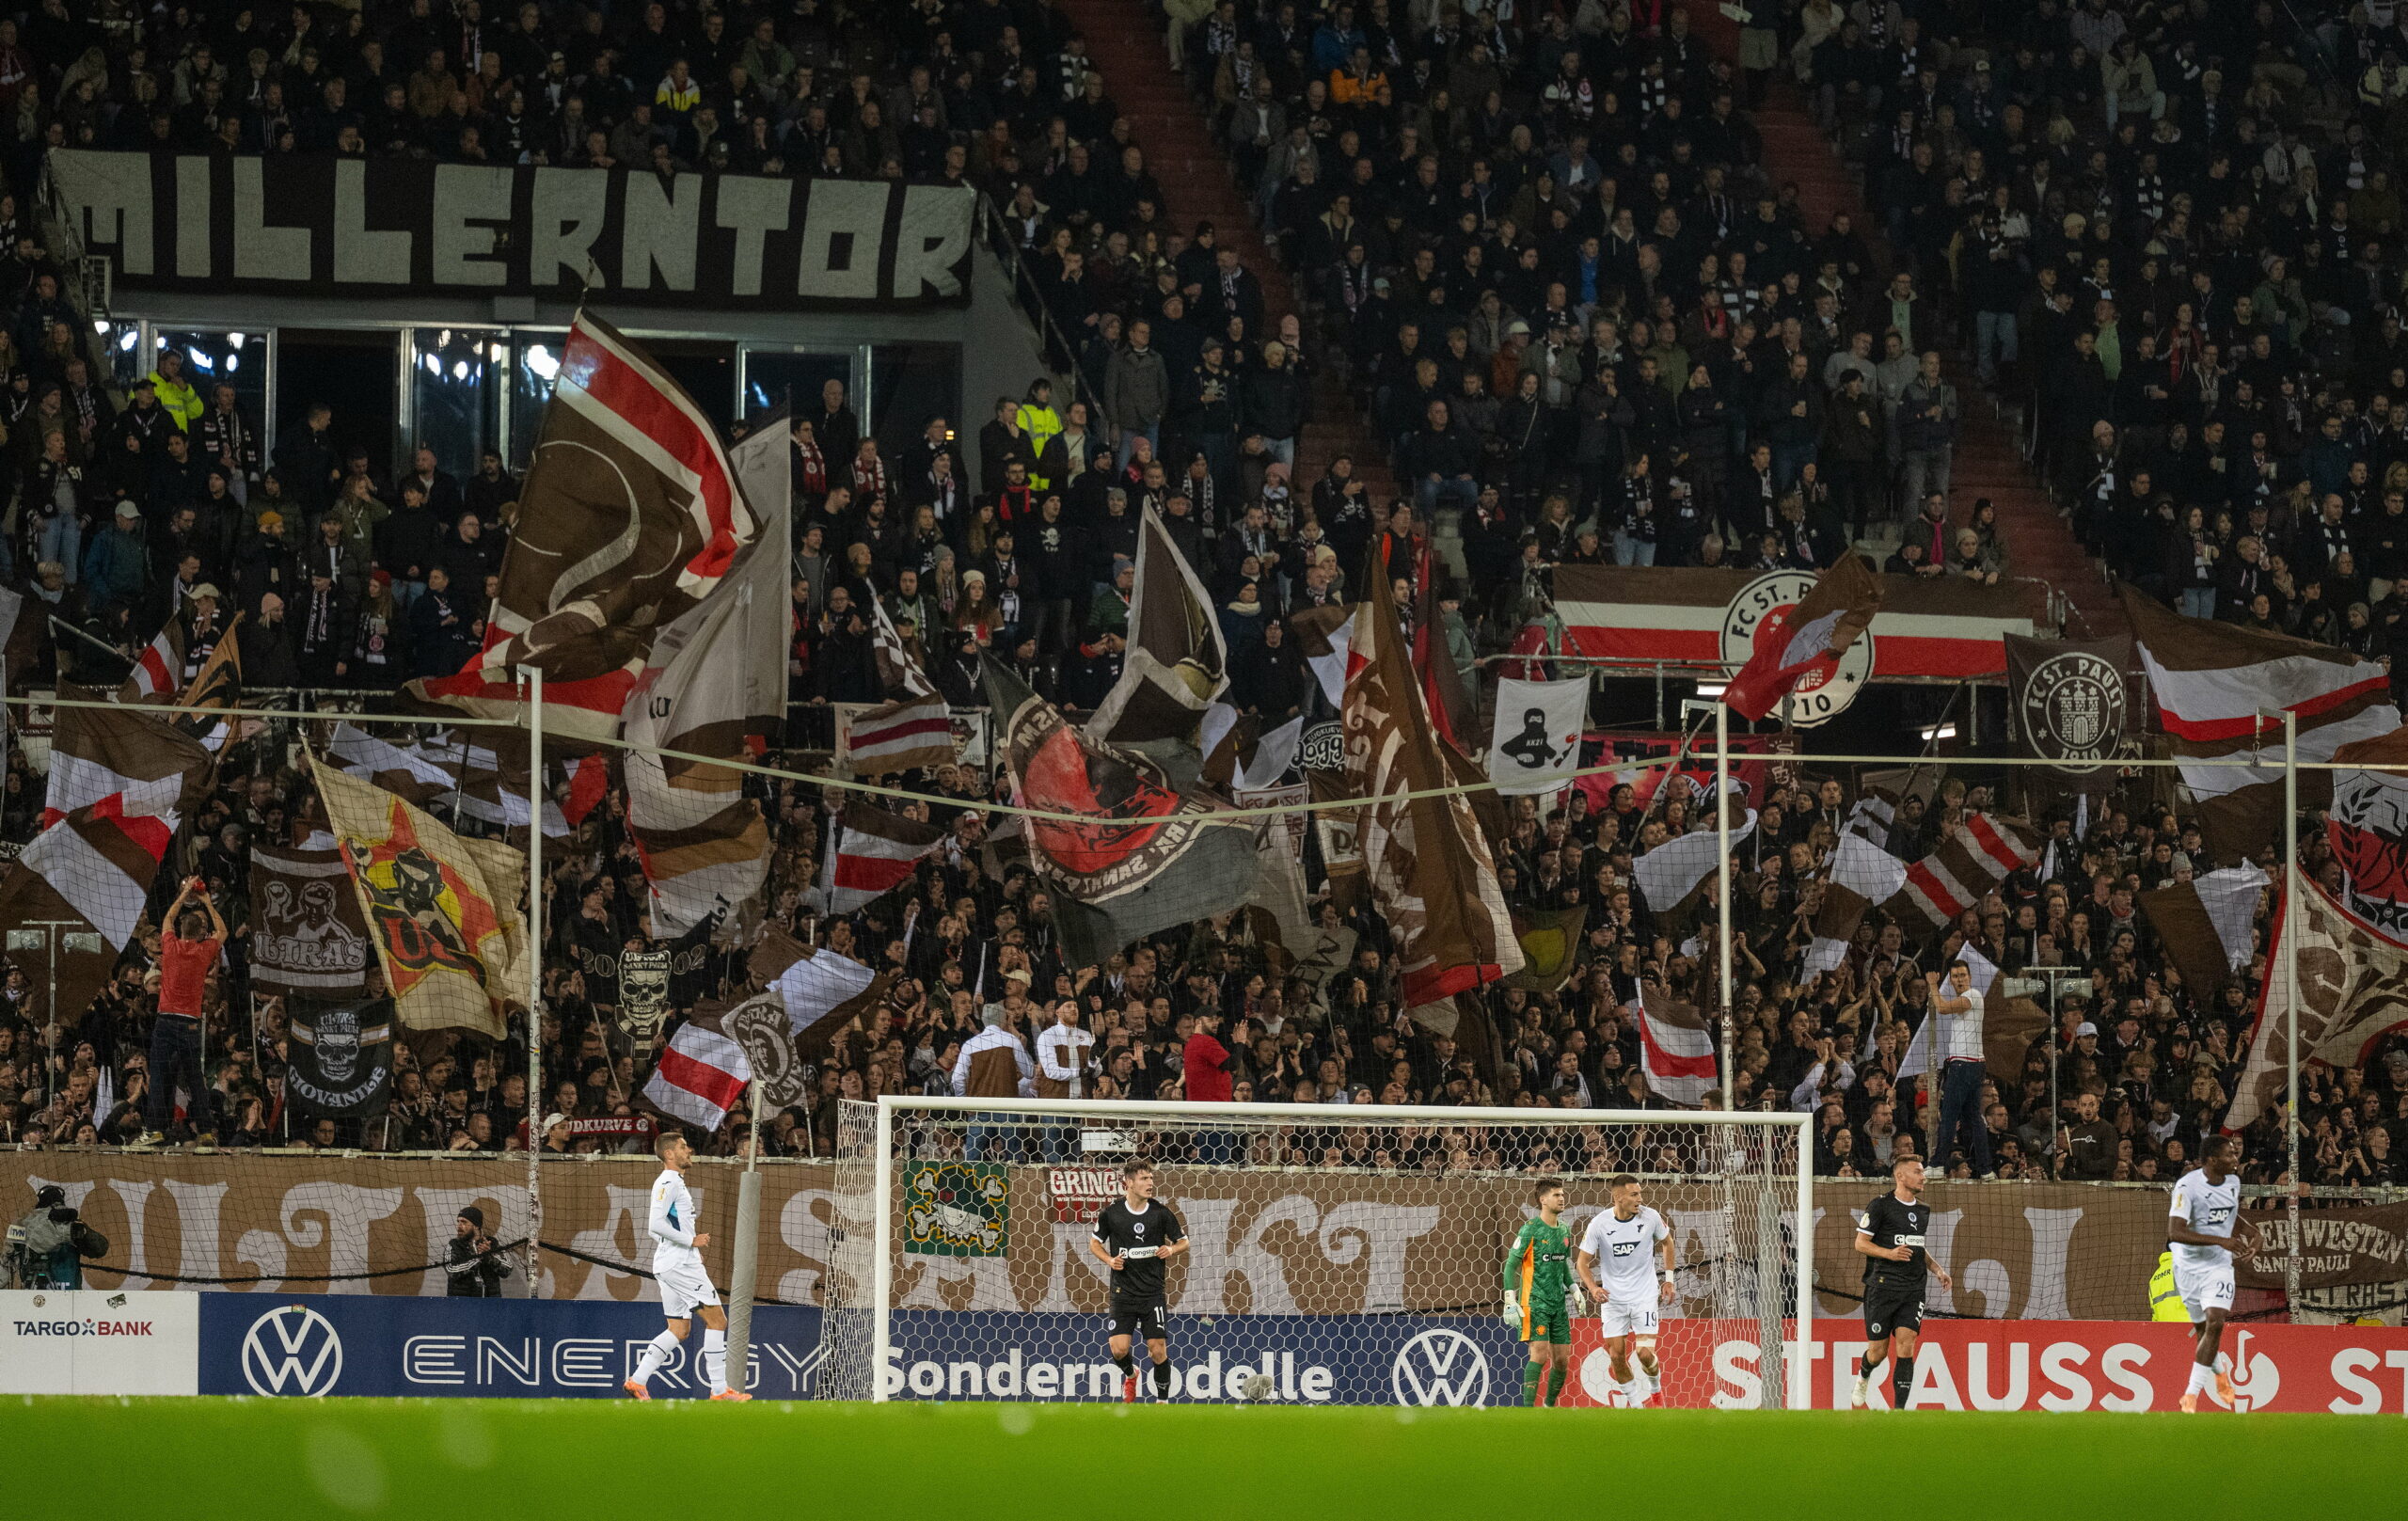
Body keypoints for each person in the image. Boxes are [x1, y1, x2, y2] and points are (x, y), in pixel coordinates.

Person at [624, 1131, 747, 1401]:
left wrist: (685, 1246)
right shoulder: (669, 1182)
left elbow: (660, 1231)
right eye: (682, 1146)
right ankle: (718, 1390)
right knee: (717, 1322)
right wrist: (690, 1242)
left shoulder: (673, 1182)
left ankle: (638, 1380)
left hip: (673, 1262)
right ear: (669, 1154)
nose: (688, 1150)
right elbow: (654, 1225)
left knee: (678, 1329)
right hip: (680, 1265)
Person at [1850, 1156, 1954, 1409]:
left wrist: (1936, 1267)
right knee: (1878, 1353)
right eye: (1917, 1172)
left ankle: (1899, 1414)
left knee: (1906, 1347)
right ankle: (1864, 1374)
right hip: (1883, 1287)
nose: (1923, 1177)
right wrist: (1890, 1254)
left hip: (1913, 1288)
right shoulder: (1880, 1206)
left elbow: (1917, 1244)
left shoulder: (1923, 1210)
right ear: (1901, 1176)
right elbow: (1860, 1243)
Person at [1085, 1158, 1188, 1402]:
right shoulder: (1112, 1213)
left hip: (1153, 1293)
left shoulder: (1161, 1213)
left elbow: (1184, 1241)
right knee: (1118, 1350)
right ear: (1128, 1183)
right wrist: (1109, 1260)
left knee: (1157, 1351)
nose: (1150, 1183)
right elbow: (1094, 1243)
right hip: (1123, 1293)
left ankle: (1162, 1403)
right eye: (1144, 1178)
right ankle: (1131, 1375)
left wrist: (1171, 1250)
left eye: (1151, 1178)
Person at [2170, 1133, 2258, 1413]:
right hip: (2187, 1267)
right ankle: (2220, 1374)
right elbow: (2175, 1232)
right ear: (2211, 1160)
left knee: (2216, 1322)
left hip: (2218, 1266)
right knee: (2203, 1331)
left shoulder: (2233, 1181)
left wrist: (2252, 1233)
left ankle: (2190, 1396)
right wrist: (2221, 1240)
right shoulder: (2187, 1187)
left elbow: (2230, 1216)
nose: (2236, 1159)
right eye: (2230, 1154)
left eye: (2236, 1153)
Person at [1575, 1172, 1675, 1408]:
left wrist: (1669, 1279)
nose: (1640, 1198)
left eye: (1640, 1193)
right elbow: (1582, 1262)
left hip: (1644, 1297)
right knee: (1616, 1355)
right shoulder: (1600, 1223)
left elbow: (1668, 1242)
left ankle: (1656, 1390)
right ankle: (1636, 1408)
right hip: (1613, 1300)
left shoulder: (1650, 1217)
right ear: (1618, 1197)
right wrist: (1593, 1287)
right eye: (1634, 1194)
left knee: (1644, 1354)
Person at [142, 877, 226, 1146]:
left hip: (166, 1022)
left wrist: (184, 895)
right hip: (190, 1024)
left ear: (181, 929)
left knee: (158, 1073)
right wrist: (207, 903)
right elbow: (222, 931)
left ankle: (154, 1129)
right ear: (201, 932)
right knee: (195, 1079)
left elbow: (167, 917)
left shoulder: (170, 946)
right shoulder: (204, 951)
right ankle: (205, 1132)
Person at [1503, 1177, 1575, 1406]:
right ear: (1543, 1200)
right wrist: (1509, 1300)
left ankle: (1548, 1407)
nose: (1562, 1198)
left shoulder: (1564, 1229)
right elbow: (1510, 1265)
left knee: (1562, 1361)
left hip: (1558, 1305)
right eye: (1556, 1195)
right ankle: (1527, 1412)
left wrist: (1573, 1288)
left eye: (1562, 1194)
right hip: (1534, 1303)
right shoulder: (1530, 1230)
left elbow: (1561, 1262)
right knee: (1540, 1354)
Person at [1926, 959, 1993, 1178]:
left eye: (1962, 975)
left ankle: (1936, 1166)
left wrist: (1933, 985)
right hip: (1972, 1065)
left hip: (1963, 1066)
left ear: (1970, 977)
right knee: (1974, 1118)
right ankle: (1986, 1170)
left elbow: (1942, 1008)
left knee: (1948, 1116)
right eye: (1955, 976)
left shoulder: (1973, 995)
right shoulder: (1967, 1000)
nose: (1959, 980)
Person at [444, 1204, 513, 1297]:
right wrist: (477, 1259)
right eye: (458, 1222)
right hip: (461, 1304)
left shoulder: (492, 1243)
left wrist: (489, 1257)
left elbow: (507, 1270)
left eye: (464, 1222)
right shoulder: (454, 1245)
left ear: (476, 1226)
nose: (459, 1226)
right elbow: (452, 1271)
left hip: (490, 1305)